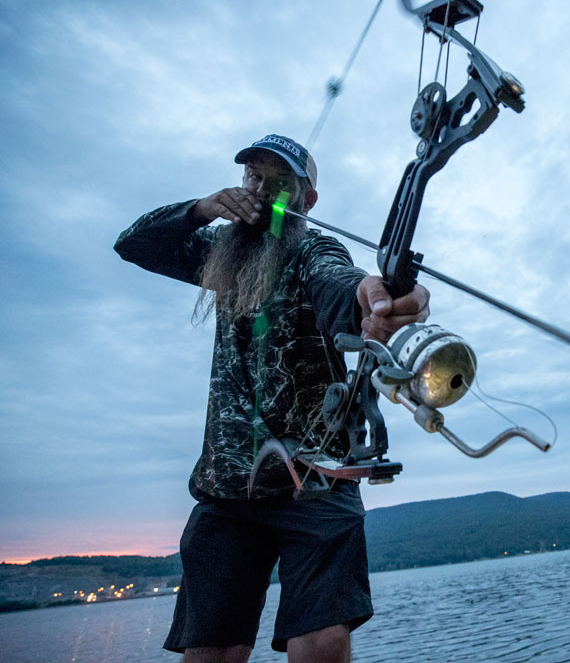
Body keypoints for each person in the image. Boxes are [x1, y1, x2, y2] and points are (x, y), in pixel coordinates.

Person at [115, 134, 429, 663]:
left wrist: (377, 299)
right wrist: (202, 208)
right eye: (251, 178)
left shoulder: (314, 249)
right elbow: (134, 244)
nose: (259, 191)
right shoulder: (223, 250)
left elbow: (342, 287)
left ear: (307, 201)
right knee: (210, 646)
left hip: (315, 474)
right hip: (226, 482)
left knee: (322, 637)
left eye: (277, 183)